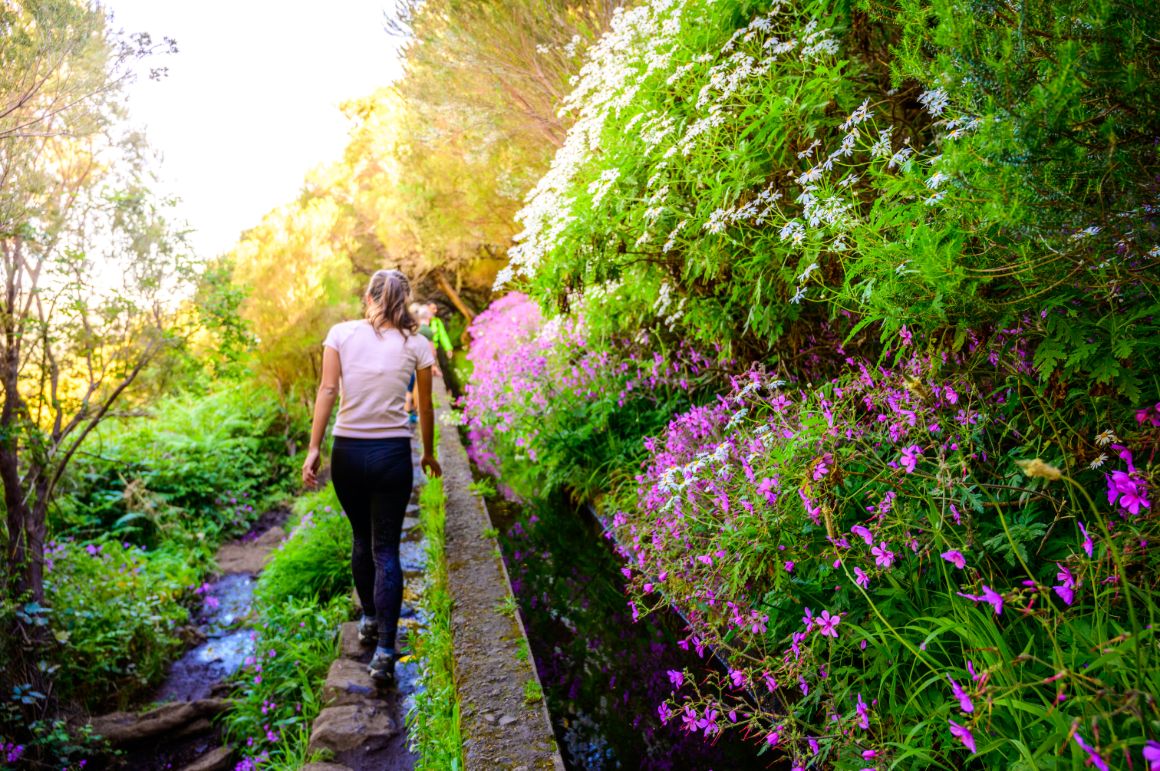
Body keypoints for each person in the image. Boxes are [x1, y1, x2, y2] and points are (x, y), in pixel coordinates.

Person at [302, 269, 442, 684]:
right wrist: (428, 452)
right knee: (387, 550)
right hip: (392, 455)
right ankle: (384, 652)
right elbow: (425, 406)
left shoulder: (341, 334)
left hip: (347, 453)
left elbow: (327, 391)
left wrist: (314, 448)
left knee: (361, 539)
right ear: (404, 300)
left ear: (369, 297)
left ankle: (368, 618)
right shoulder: (417, 344)